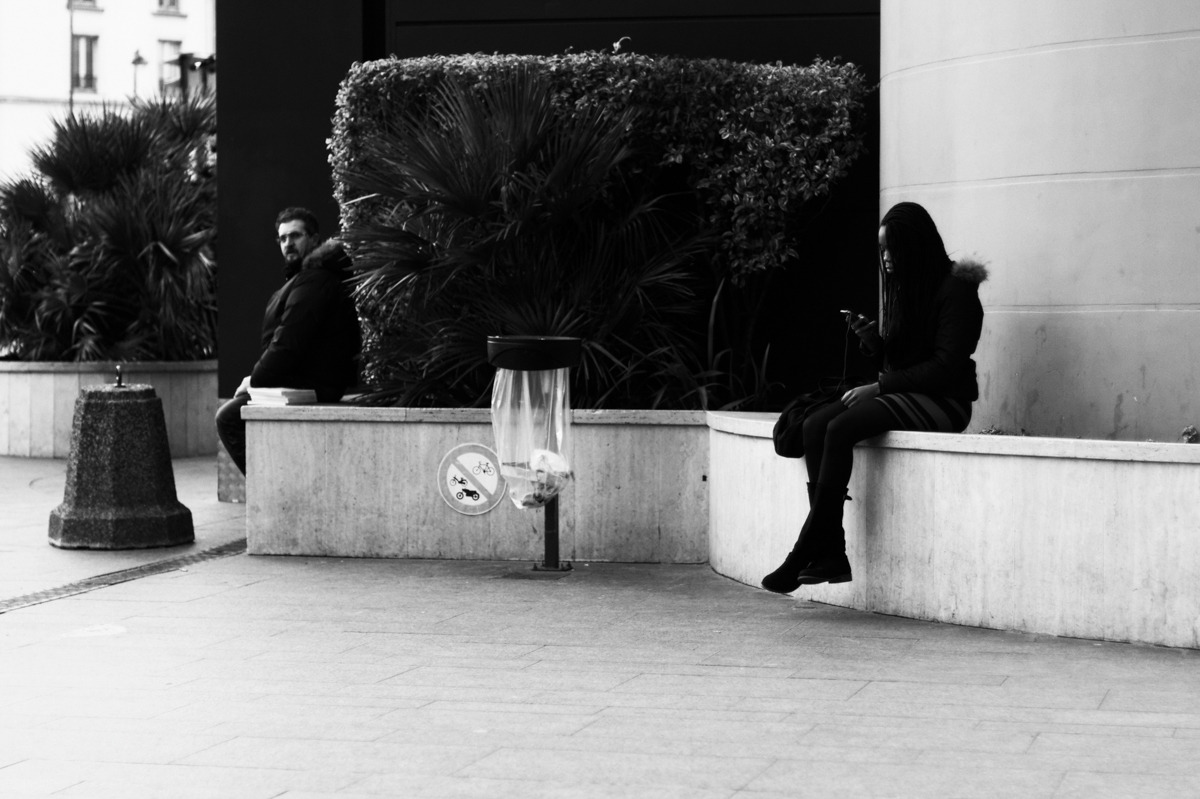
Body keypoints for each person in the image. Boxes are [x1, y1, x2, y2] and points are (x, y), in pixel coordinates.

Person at [762, 202, 988, 593]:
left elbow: (945, 368)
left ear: (914, 246)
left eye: (892, 249)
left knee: (842, 425)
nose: (885, 259)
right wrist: (874, 344)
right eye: (881, 249)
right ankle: (831, 551)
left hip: (946, 402)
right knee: (816, 424)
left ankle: (805, 551)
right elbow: (903, 357)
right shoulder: (908, 288)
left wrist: (880, 386)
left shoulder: (957, 291)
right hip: (911, 392)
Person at [215, 207, 361, 475]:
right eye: (282, 238)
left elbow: (287, 341)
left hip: (312, 385)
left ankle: (270, 490)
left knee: (229, 418)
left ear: (315, 239)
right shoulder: (306, 279)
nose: (288, 244)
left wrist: (255, 380)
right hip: (306, 382)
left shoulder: (315, 280)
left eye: (295, 235)